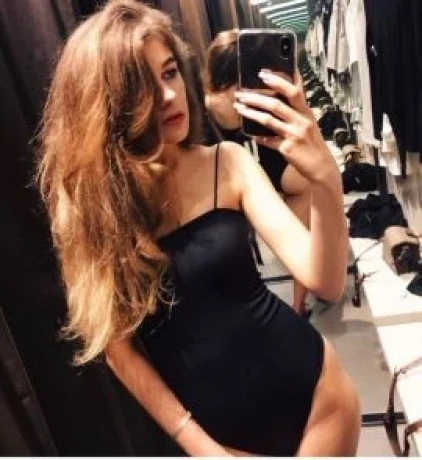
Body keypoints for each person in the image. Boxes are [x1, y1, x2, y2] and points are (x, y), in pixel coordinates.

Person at [37, 0, 360, 456]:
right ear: (108, 104)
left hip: (318, 399)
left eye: (170, 73)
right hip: (219, 441)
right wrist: (202, 447)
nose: (169, 95)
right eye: (144, 85)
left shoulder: (227, 162)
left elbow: (325, 280)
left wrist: (326, 179)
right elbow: (118, 351)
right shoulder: (95, 210)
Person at [205, 29, 311, 316]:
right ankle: (296, 304)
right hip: (241, 181)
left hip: (267, 171)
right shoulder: (207, 113)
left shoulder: (265, 103)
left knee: (304, 190)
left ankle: (298, 303)